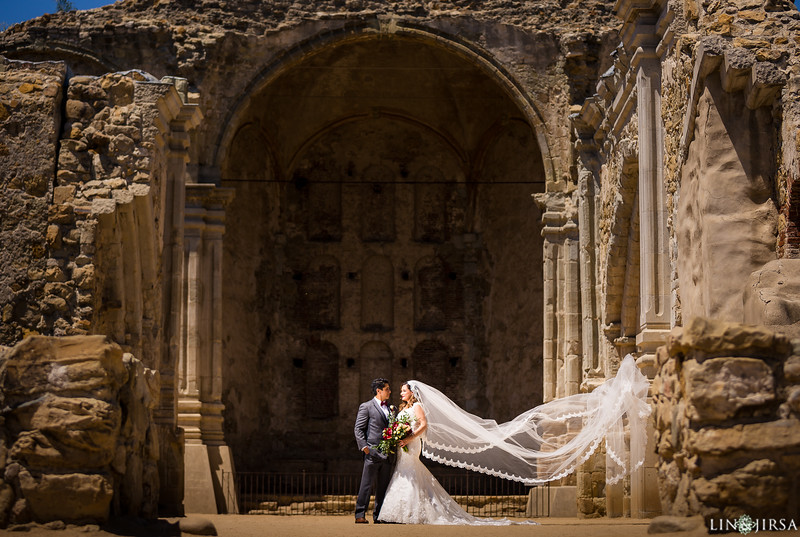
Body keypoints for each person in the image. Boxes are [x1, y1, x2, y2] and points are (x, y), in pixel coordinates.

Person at [376, 354, 650, 525]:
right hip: (405, 449)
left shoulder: (418, 408)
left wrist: (406, 437)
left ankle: (411, 513)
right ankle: (398, 513)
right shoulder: (403, 410)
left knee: (410, 477)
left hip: (409, 446)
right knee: (406, 478)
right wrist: (397, 437)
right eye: (400, 391)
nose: (401, 393)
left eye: (403, 391)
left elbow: (423, 426)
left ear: (413, 393)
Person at [353, 377, 395, 524]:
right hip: (372, 453)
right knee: (366, 485)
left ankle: (379, 516)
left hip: (388, 454)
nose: (389, 391)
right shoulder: (366, 406)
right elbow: (358, 428)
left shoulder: (391, 408)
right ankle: (360, 515)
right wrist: (365, 448)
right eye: (387, 389)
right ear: (379, 391)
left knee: (383, 487)